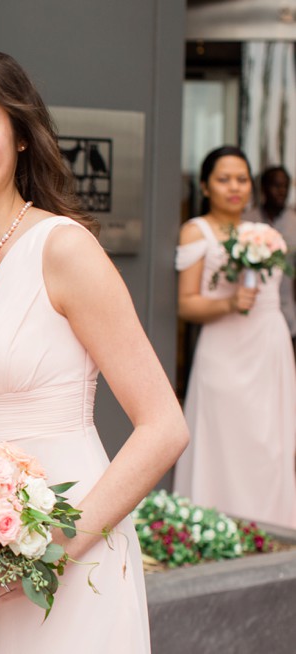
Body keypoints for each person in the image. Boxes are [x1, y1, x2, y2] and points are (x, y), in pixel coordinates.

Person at [0, 45, 188, 652]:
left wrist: (56, 548)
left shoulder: (63, 248)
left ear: (21, 135)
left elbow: (164, 427)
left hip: (71, 539)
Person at [174, 147, 296, 528]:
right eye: (224, 179)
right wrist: (229, 304)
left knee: (269, 445)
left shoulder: (265, 234)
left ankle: (271, 529)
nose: (234, 187)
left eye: (241, 179)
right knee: (224, 442)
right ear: (206, 186)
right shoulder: (197, 230)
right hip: (223, 354)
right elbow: (187, 305)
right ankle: (218, 528)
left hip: (269, 348)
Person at [243, 165, 296, 354]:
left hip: (288, 312)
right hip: (250, 311)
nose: (282, 192)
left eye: (285, 187)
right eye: (276, 186)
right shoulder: (246, 221)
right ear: (264, 188)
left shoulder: (294, 222)